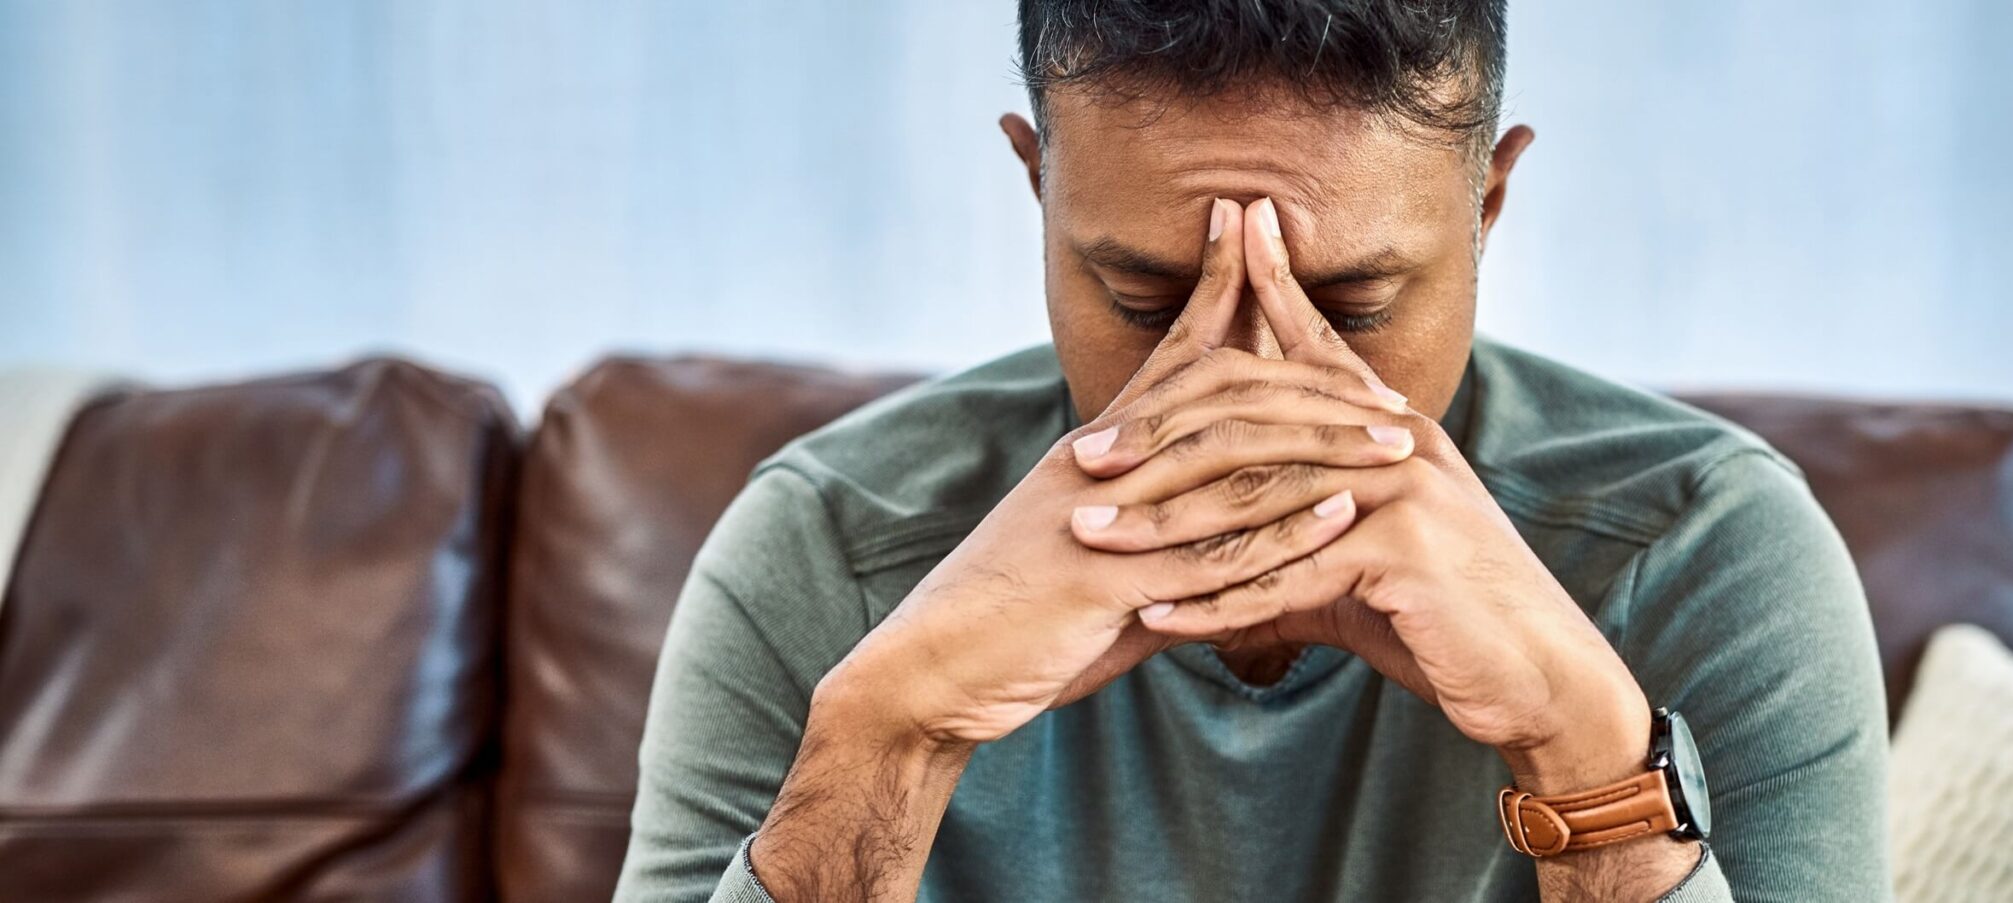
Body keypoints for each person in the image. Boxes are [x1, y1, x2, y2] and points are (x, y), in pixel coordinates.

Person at [613, 2, 1888, 900]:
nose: (1241, 384)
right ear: (1035, 186)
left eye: (1350, 309)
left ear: (1487, 207)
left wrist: (1589, 761)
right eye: (1145, 299)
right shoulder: (831, 548)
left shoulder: (1708, 550)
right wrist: (882, 746)